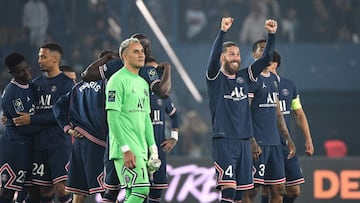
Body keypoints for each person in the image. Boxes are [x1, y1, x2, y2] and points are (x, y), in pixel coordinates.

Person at [206, 17, 276, 203]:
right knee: (228, 190)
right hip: (224, 140)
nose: (236, 58)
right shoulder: (215, 78)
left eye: (237, 54)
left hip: (244, 142)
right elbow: (213, 58)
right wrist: (222, 32)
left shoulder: (245, 77)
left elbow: (266, 59)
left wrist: (271, 35)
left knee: (240, 194)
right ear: (223, 57)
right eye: (231, 54)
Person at [12, 42, 74, 203]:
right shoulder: (35, 84)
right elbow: (27, 109)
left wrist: (31, 119)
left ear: (55, 59)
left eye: (43, 56)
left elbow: (59, 115)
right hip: (39, 144)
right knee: (44, 190)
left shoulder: (66, 85)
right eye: (39, 56)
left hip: (59, 144)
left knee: (61, 187)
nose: (39, 60)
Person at [105, 37, 160, 202]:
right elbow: (112, 118)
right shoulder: (117, 80)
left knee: (133, 194)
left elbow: (145, 119)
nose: (141, 55)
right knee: (142, 189)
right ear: (124, 56)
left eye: (142, 51)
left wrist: (153, 149)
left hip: (140, 149)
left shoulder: (143, 83)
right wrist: (125, 149)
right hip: (127, 149)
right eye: (136, 51)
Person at [243, 41, 296, 203]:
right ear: (254, 55)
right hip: (258, 143)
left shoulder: (274, 79)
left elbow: (278, 113)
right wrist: (251, 141)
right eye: (261, 49)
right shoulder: (251, 79)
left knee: (278, 190)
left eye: (268, 49)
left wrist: (288, 139)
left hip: (275, 144)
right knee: (251, 191)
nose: (266, 52)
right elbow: (245, 112)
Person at [264, 50, 314, 203]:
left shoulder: (289, 86)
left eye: (267, 64)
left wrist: (308, 139)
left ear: (275, 64)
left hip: (285, 146)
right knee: (268, 189)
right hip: (265, 143)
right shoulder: (258, 84)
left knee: (293, 191)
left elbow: (299, 113)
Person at [0, 53, 44, 203]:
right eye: (20, 71)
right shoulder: (13, 93)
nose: (26, 72)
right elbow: (23, 128)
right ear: (11, 73)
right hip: (15, 148)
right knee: (8, 190)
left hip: (30, 148)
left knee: (34, 191)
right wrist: (48, 124)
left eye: (26, 68)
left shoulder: (32, 87)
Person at [145, 56, 179, 203]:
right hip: (140, 147)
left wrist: (174, 137)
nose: (154, 74)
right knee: (140, 190)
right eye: (150, 70)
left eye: (157, 70)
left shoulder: (163, 96)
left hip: (159, 148)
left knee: (156, 192)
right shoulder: (135, 90)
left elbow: (175, 116)